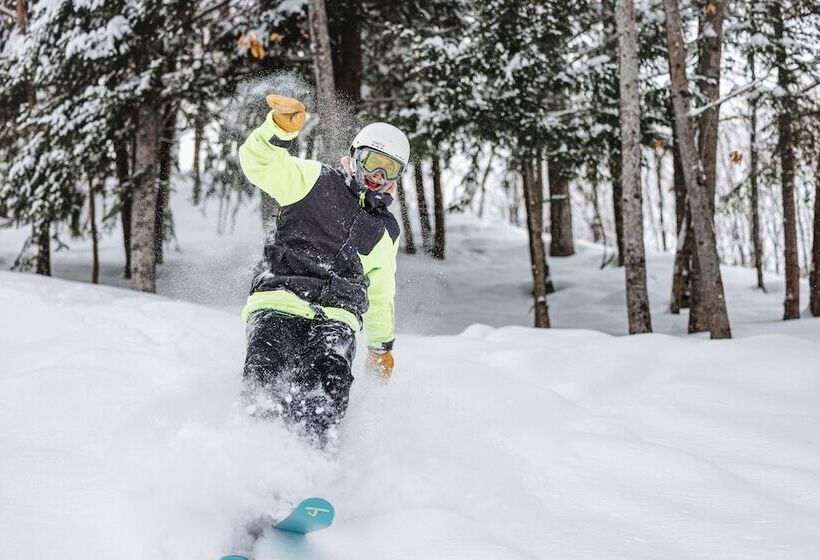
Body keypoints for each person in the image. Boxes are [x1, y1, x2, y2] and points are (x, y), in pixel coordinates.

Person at [237, 94, 407, 447]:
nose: (377, 176)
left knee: (328, 381)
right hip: (279, 300)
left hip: (337, 316)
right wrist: (276, 130)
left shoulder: (386, 230)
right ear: (353, 158)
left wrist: (380, 346)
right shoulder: (312, 179)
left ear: (396, 178)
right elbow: (258, 164)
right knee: (268, 375)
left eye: (388, 170)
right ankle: (256, 453)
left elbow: (380, 292)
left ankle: (314, 459)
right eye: (372, 163)